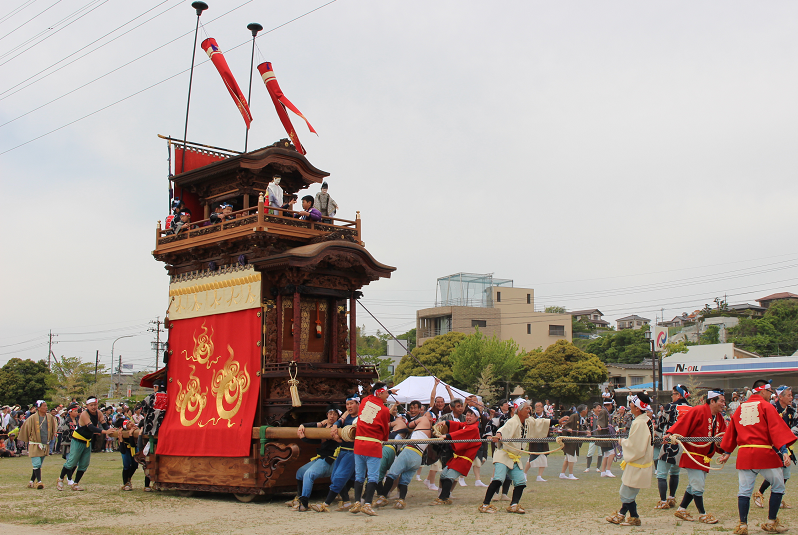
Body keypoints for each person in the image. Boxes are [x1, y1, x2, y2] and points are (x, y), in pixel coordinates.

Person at [718, 380, 797, 535]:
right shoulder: (767, 407)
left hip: (745, 455)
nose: (771, 394)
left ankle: (743, 525)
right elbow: (776, 430)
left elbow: (732, 432)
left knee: (744, 491)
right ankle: (771, 522)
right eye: (769, 391)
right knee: (779, 485)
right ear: (762, 391)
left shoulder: (740, 408)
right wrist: (785, 451)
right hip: (764, 454)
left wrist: (727, 452)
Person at [666, 389, 727, 524]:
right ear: (712, 401)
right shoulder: (698, 411)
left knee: (693, 486)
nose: (724, 404)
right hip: (693, 455)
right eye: (722, 401)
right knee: (698, 486)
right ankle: (702, 514)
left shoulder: (719, 418)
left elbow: (723, 437)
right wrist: (671, 434)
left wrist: (725, 450)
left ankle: (682, 509)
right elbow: (683, 424)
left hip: (705, 458)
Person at [606, 393, 655, 527]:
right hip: (641, 462)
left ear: (637, 408)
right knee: (629, 492)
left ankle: (631, 516)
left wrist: (622, 442)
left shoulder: (639, 422)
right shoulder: (646, 420)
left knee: (626, 492)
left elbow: (636, 446)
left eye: (631, 405)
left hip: (638, 463)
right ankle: (629, 516)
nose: (630, 407)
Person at [479, 398, 532, 514]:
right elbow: (503, 429)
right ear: (519, 410)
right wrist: (498, 434)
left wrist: (556, 421)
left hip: (515, 457)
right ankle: (485, 505)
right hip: (504, 455)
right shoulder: (513, 421)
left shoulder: (527, 422)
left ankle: (514, 505)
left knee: (521, 482)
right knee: (498, 480)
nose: (529, 410)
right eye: (527, 408)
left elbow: (539, 423)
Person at [377, 404, 432, 510]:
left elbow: (410, 424)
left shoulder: (424, 420)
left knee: (391, 475)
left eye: (427, 414)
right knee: (404, 481)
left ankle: (382, 497)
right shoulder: (430, 432)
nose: (425, 414)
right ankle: (401, 500)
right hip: (418, 457)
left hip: (409, 451)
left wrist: (408, 419)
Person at [350, 382, 393, 516]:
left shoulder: (365, 401)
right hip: (373, 445)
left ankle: (357, 502)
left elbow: (373, 396)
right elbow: (385, 430)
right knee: (373, 476)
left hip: (359, 443)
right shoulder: (385, 410)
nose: (388, 396)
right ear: (380, 393)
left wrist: (389, 391)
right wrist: (384, 439)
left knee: (359, 475)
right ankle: (367, 504)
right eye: (386, 393)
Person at [311, 395, 360, 512]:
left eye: (352, 404)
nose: (349, 406)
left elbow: (351, 434)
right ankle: (346, 501)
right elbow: (339, 421)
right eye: (347, 404)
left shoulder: (360, 418)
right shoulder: (346, 415)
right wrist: (336, 426)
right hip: (342, 450)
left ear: (358, 404)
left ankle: (325, 504)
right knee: (334, 477)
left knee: (339, 477)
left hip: (352, 452)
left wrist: (339, 435)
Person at [288, 406, 341, 511]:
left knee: (309, 474)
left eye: (335, 414)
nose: (332, 416)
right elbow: (315, 432)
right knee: (300, 472)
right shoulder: (324, 424)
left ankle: (304, 502)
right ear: (327, 415)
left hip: (330, 460)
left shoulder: (338, 427)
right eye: (330, 414)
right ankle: (299, 498)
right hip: (320, 457)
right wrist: (302, 427)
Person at [57, 397, 115, 491]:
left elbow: (104, 423)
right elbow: (91, 427)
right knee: (72, 462)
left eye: (95, 405)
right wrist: (105, 432)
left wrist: (110, 429)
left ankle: (75, 483)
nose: (93, 407)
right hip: (78, 439)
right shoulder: (84, 414)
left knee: (84, 464)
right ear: (87, 406)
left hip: (87, 441)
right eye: (91, 405)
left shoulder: (99, 413)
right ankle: (60, 479)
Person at [754, 385, 796, 511]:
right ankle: (759, 493)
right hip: (773, 446)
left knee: (785, 475)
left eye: (791, 395)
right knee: (776, 473)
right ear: (780, 397)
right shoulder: (771, 409)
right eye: (788, 395)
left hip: (785, 445)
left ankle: (778, 497)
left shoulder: (791, 411)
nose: (791, 397)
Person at [431, 406, 482, 505]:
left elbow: (461, 432)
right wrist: (446, 422)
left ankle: (444, 498)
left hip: (464, 459)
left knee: (449, 476)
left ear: (477, 418)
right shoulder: (466, 425)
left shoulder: (473, 429)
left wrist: (447, 436)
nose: (468, 417)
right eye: (467, 415)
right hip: (457, 457)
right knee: (443, 475)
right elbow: (459, 425)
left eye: (471, 415)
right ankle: (443, 495)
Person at [655, 384, 692, 509]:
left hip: (670, 442)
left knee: (661, 473)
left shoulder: (670, 407)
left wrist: (659, 437)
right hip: (684, 445)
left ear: (679, 395)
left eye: (674, 394)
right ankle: (672, 497)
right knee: (675, 472)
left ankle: (663, 501)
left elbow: (661, 424)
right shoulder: (692, 409)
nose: (672, 396)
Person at [18, 400, 57, 489]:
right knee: (36, 464)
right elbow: (25, 428)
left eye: (46, 406)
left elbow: (53, 427)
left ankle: (31, 481)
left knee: (38, 465)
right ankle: (39, 482)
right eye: (44, 406)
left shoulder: (50, 417)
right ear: (38, 408)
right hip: (35, 444)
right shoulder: (32, 418)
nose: (46, 407)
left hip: (44, 444)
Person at [525, 401, 565, 482]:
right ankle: (524, 474)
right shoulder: (531, 418)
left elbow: (551, 424)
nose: (538, 408)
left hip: (544, 441)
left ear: (543, 408)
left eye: (540, 406)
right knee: (532, 457)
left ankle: (539, 476)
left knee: (544, 457)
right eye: (536, 406)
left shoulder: (546, 417)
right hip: (534, 441)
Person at [561, 405, 588, 480]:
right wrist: (568, 429)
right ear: (583, 411)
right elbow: (565, 426)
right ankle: (570, 474)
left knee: (567, 458)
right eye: (586, 410)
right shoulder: (574, 416)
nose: (587, 411)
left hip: (574, 441)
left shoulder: (579, 417)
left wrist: (586, 432)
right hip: (570, 441)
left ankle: (562, 474)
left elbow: (579, 429)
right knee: (571, 458)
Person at [116, 417, 139, 491]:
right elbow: (122, 450)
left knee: (135, 464)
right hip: (125, 447)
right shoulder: (122, 432)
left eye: (130, 422)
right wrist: (122, 439)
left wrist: (131, 434)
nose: (131, 423)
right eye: (128, 423)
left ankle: (129, 479)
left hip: (133, 446)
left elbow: (133, 445)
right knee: (127, 464)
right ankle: (126, 482)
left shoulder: (135, 429)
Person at [596, 399, 615, 478]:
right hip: (604, 435)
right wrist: (599, 425)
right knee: (612, 452)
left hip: (606, 435)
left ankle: (603, 472)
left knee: (606, 454)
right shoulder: (604, 411)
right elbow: (599, 420)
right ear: (610, 405)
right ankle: (608, 470)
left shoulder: (606, 411)